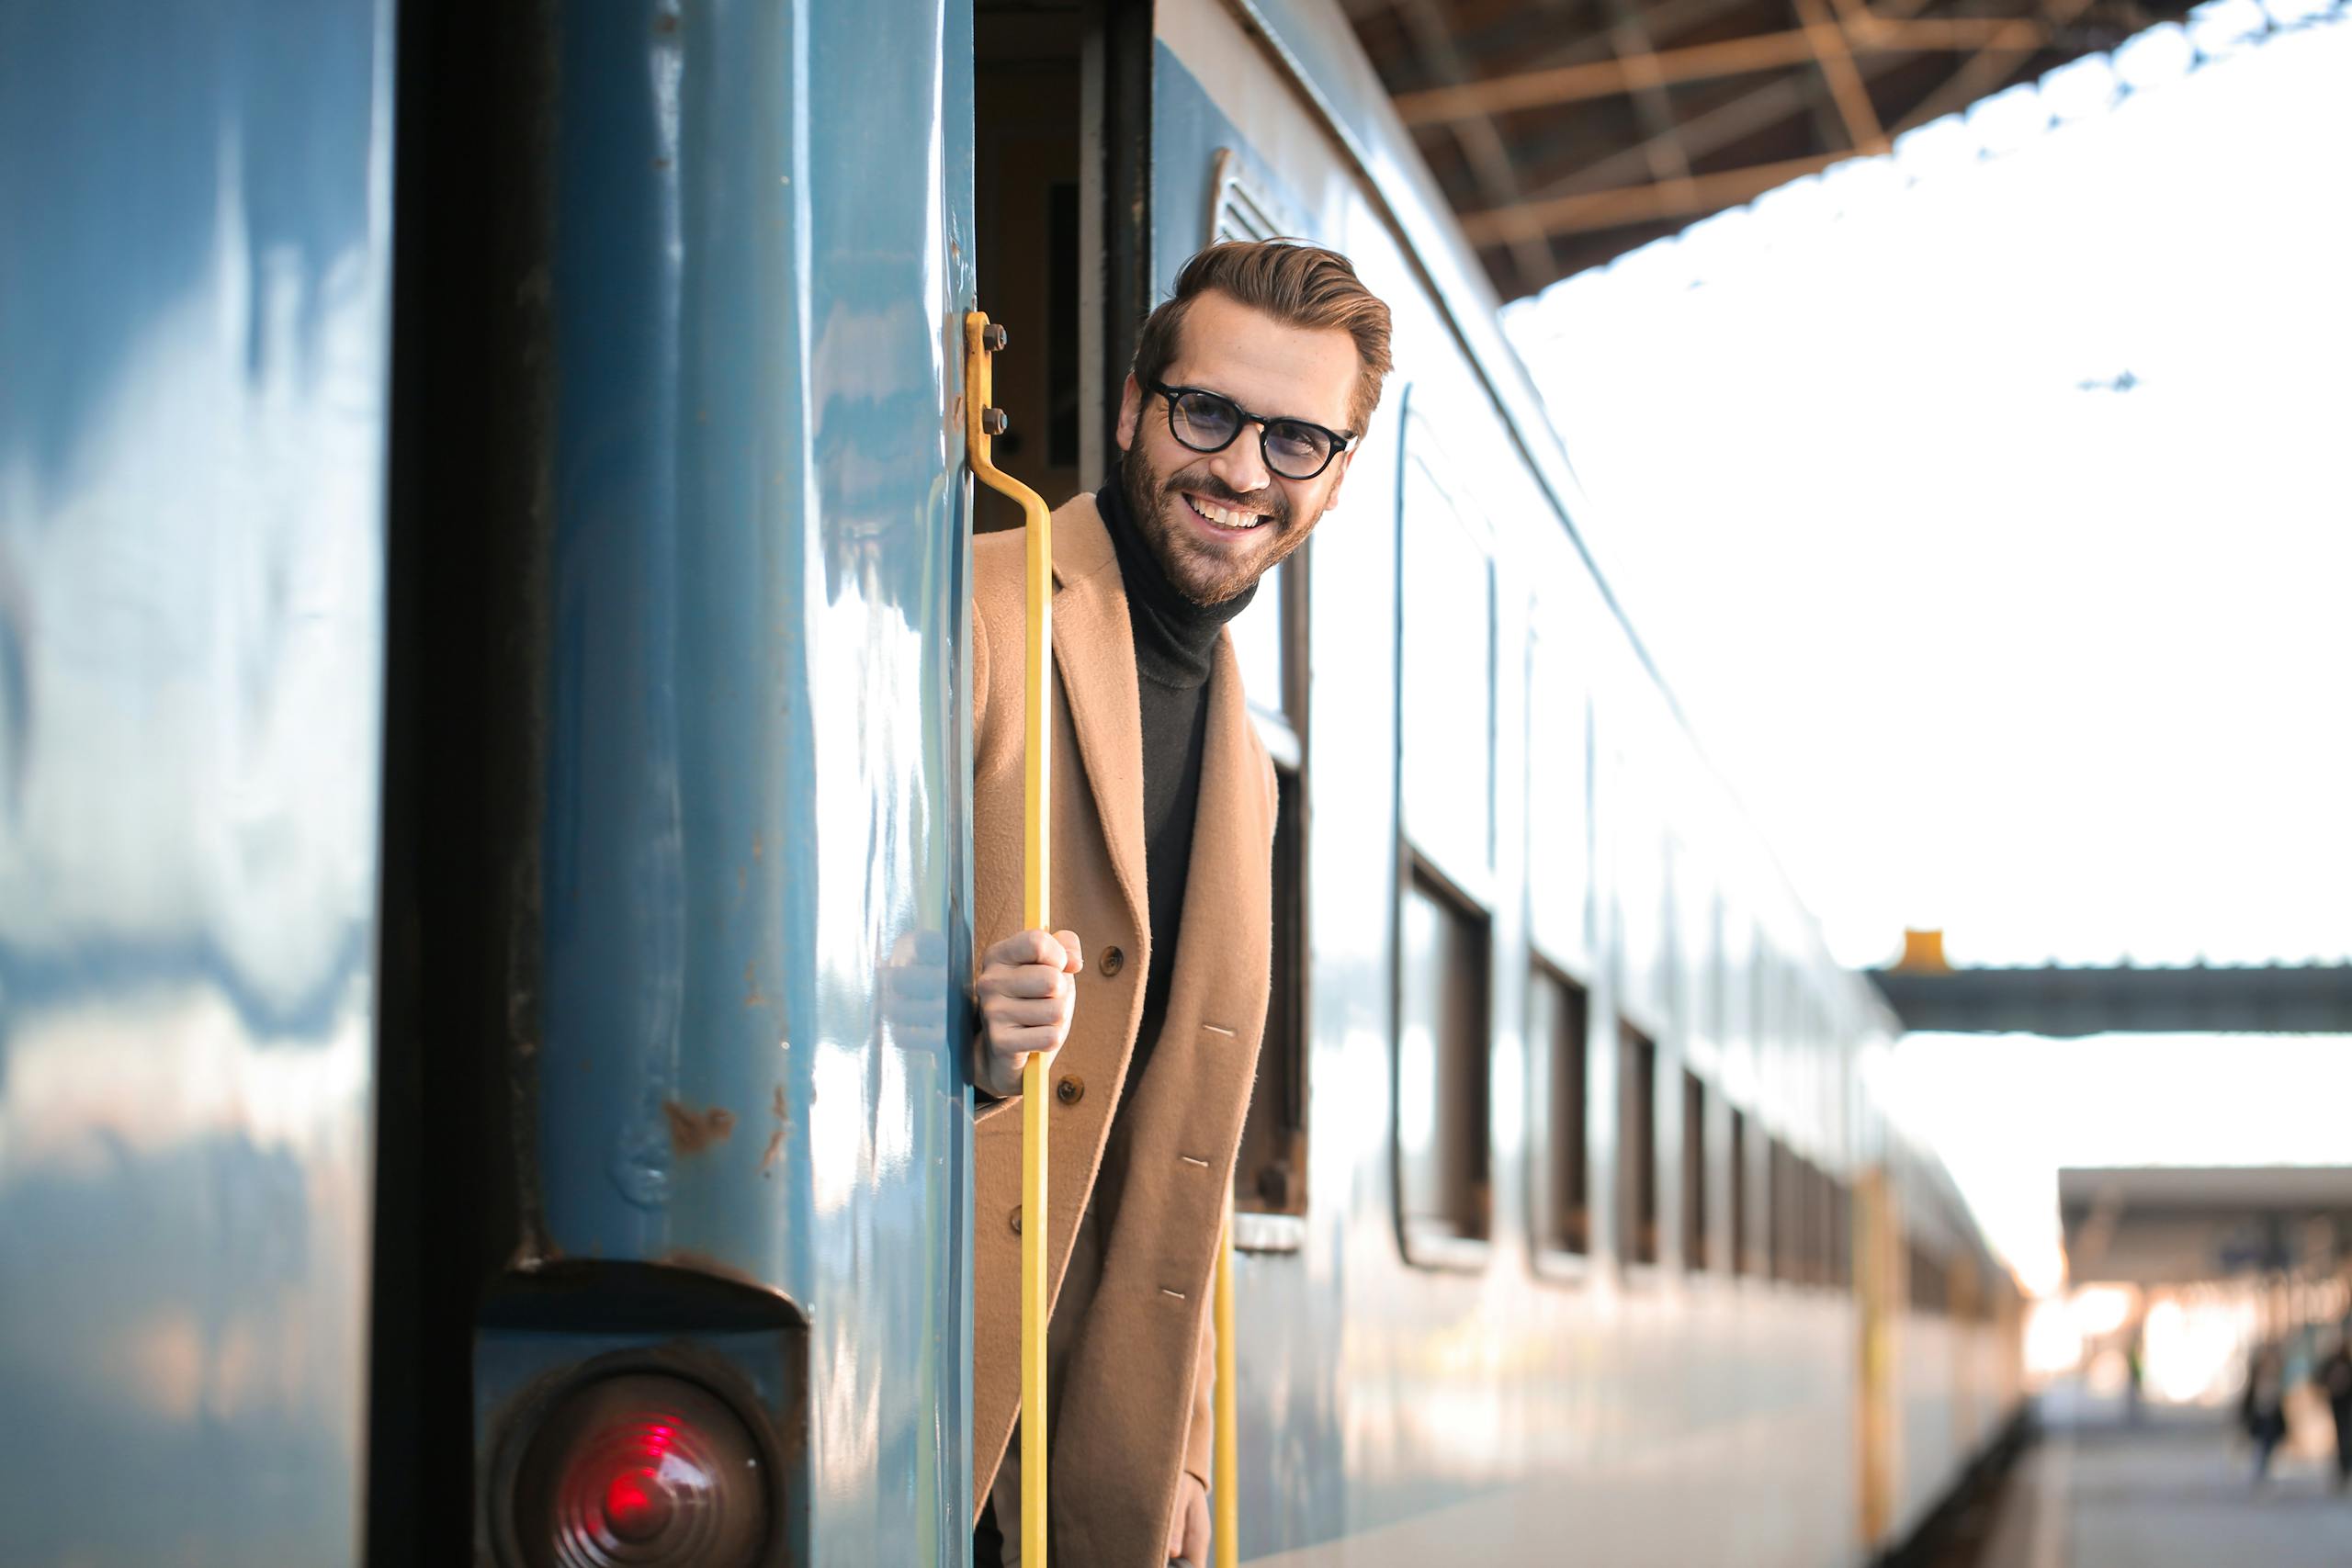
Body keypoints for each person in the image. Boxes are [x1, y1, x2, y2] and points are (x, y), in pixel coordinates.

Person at [966, 241, 1392, 1566]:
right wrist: (962, 1044)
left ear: (1335, 473)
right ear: (1135, 409)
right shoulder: (970, 609)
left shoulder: (1245, 758)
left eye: (1299, 440)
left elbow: (1183, 1149)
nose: (1245, 470)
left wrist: (1186, 1454)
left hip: (1090, 1465)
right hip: (927, 1418)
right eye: (1210, 413)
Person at [2242, 1344, 2289, 1486]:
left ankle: (2264, 1466)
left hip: (2273, 1413)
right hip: (2261, 1413)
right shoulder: (2258, 1374)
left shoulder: (2277, 1373)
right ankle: (2261, 1468)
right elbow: (2250, 1396)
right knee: (2262, 1442)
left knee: (2270, 1442)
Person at [2316, 1333, 2352, 1491]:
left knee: (2345, 1438)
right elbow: (2320, 1378)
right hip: (2339, 1406)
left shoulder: (2345, 1363)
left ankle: (2346, 1469)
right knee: (2342, 1438)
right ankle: (2344, 1470)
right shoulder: (2333, 1363)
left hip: (2345, 1406)